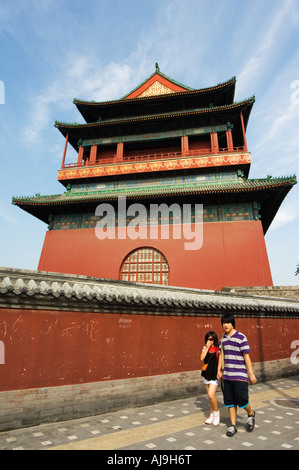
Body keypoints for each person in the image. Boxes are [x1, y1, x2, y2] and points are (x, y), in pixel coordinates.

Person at [217, 313, 257, 437]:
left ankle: (250, 413)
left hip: (240, 374)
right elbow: (221, 356)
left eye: (228, 322)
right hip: (227, 375)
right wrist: (219, 370)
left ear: (232, 323)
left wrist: (251, 374)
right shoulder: (222, 338)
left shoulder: (241, 337)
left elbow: (247, 357)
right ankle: (233, 425)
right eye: (224, 323)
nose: (225, 325)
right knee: (230, 402)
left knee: (243, 400)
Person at [201, 331, 220, 426]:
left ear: (215, 339)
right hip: (207, 373)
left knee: (211, 394)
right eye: (208, 339)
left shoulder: (218, 348)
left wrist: (220, 372)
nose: (209, 340)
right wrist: (207, 347)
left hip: (214, 374)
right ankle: (211, 414)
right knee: (209, 396)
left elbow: (220, 361)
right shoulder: (205, 347)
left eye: (211, 339)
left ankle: (216, 413)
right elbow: (201, 358)